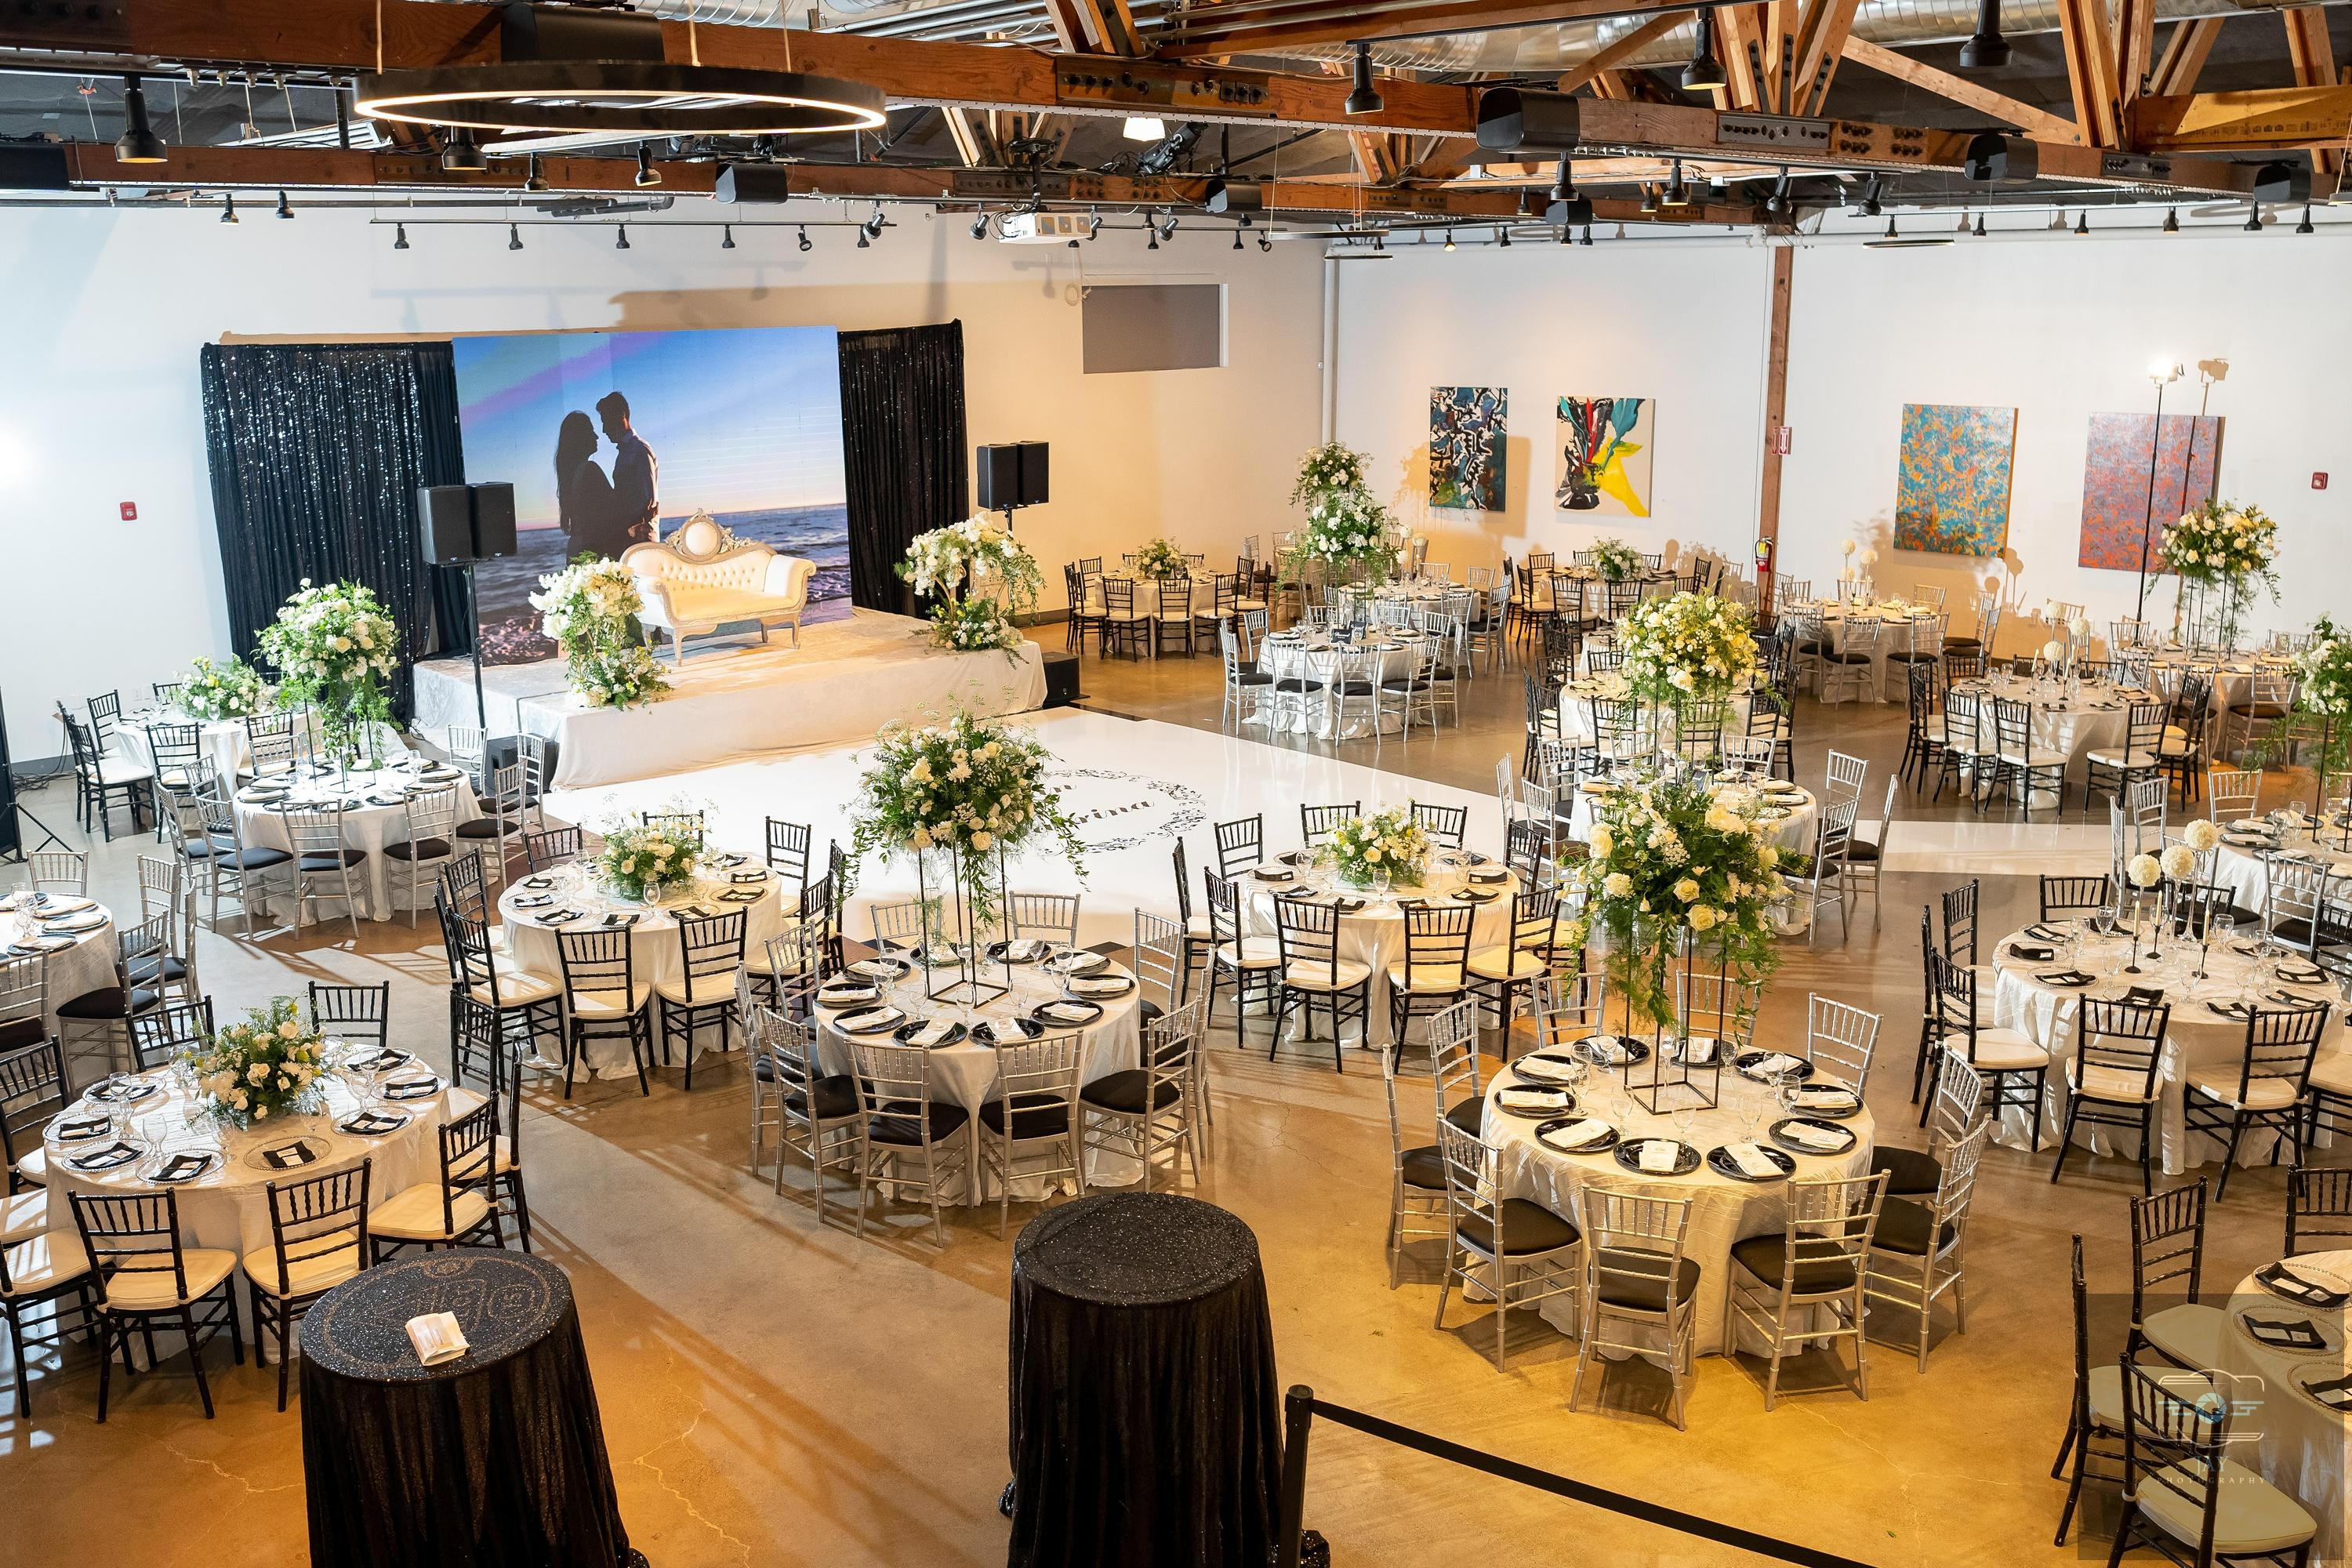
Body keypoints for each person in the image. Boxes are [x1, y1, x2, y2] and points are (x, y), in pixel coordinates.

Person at [554, 409, 634, 561]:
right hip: (594, 552)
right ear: (580, 438)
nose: (596, 436)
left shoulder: (571, 476)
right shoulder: (589, 470)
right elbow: (613, 515)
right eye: (591, 431)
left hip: (578, 552)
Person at [597, 390, 660, 543]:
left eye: (606, 422)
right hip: (632, 538)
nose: (604, 430)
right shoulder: (626, 452)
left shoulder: (638, 449)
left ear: (621, 415)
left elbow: (648, 502)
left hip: (641, 540)